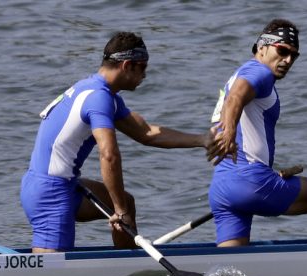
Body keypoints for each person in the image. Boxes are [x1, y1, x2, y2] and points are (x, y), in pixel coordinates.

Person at [21, 31, 216, 253]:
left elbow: (147, 133)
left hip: (61, 185)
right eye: (142, 67)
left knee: (126, 202)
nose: (145, 74)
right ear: (126, 66)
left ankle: (127, 261)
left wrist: (203, 140)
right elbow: (109, 155)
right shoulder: (98, 98)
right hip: (51, 194)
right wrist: (119, 211)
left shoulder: (96, 90)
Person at [206, 19, 307, 247]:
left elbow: (235, 98)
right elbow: (235, 98)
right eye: (282, 51)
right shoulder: (259, 72)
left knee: (230, 269)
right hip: (251, 182)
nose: (288, 60)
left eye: (294, 55)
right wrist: (229, 132)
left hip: (223, 189)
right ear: (262, 47)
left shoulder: (239, 73)